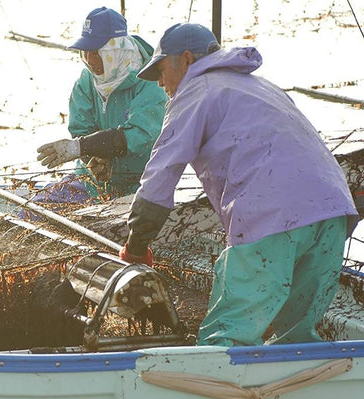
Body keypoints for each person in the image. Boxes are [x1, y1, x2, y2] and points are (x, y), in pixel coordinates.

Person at [119, 22, 358, 347]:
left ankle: (211, 393)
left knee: (226, 341)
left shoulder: (195, 92)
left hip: (273, 216)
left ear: (186, 60)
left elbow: (160, 174)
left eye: (161, 70)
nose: (160, 82)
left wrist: (135, 245)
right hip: (334, 213)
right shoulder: (262, 86)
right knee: (297, 340)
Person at [33, 7, 168, 205]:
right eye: (85, 52)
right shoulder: (87, 81)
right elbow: (81, 128)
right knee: (38, 208)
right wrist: (93, 160)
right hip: (92, 184)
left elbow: (140, 135)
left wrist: (79, 147)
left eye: (97, 53)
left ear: (116, 50)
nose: (89, 60)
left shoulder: (150, 84)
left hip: (140, 189)